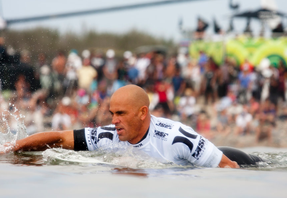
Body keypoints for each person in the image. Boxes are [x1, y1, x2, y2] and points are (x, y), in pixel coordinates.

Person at [1, 85, 262, 168]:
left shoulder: (178, 138)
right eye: (112, 113)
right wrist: (13, 147)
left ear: (142, 113)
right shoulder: (109, 134)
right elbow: (58, 139)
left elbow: (231, 170)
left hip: (237, 159)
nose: (114, 120)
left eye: (121, 114)